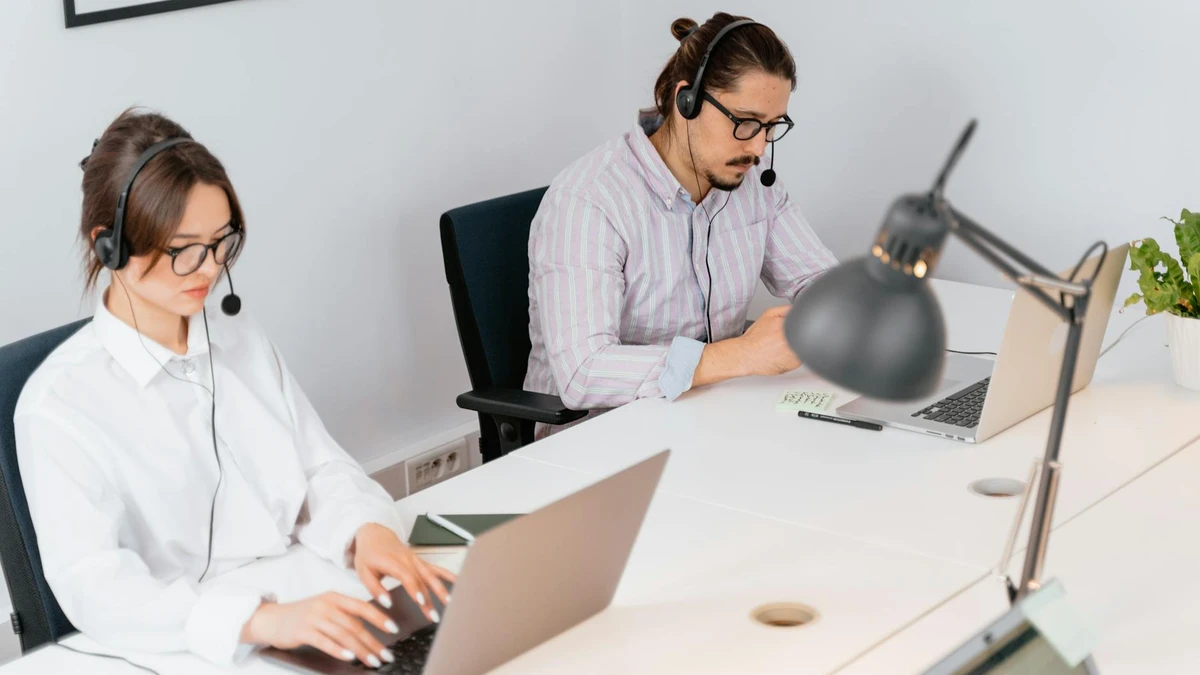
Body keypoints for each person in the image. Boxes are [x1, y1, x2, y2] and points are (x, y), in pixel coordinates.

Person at [14, 109, 452, 669]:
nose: (210, 268)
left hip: (317, 603)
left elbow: (321, 468)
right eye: (184, 249)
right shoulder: (59, 406)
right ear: (109, 247)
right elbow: (95, 585)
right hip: (195, 648)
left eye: (222, 242)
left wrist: (368, 531)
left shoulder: (239, 339)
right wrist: (257, 619)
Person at [524, 13, 837, 435]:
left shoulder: (754, 187)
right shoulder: (589, 201)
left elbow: (819, 281)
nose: (759, 147)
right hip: (598, 445)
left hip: (706, 423)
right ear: (685, 100)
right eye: (744, 122)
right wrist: (741, 354)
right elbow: (583, 372)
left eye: (771, 126)